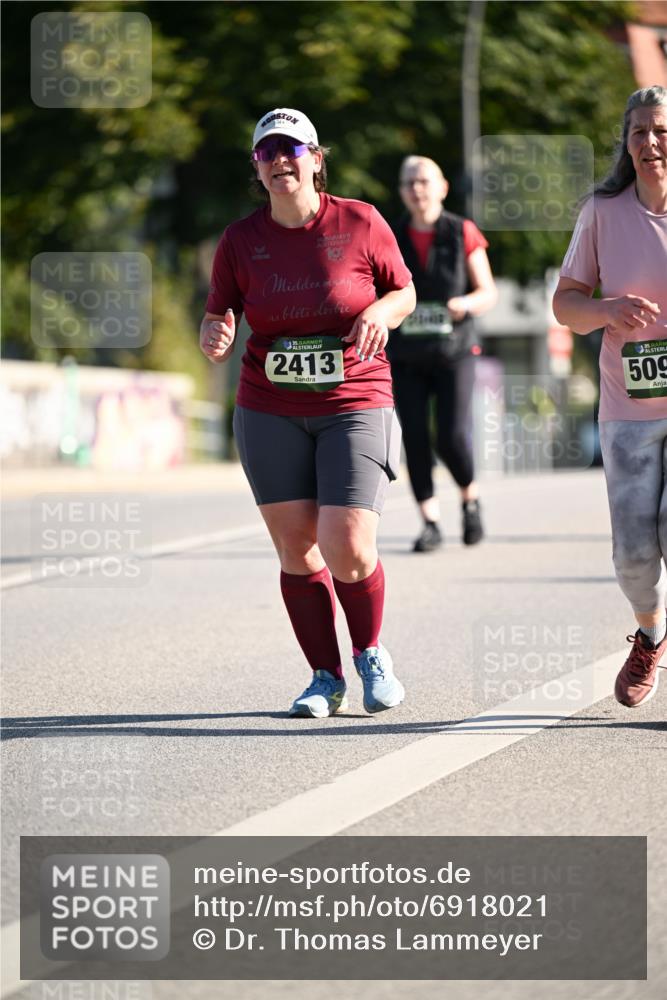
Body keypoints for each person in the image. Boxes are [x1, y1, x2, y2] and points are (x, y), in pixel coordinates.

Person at [200, 108, 416, 718]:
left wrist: (380, 312)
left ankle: (370, 652)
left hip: (354, 398)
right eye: (267, 153)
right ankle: (325, 677)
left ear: (316, 159)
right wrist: (215, 332)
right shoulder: (241, 240)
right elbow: (221, 311)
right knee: (297, 548)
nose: (279, 161)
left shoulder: (360, 221)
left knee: (346, 542)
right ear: (257, 168)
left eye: (291, 150)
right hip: (269, 405)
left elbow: (404, 290)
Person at [553, 85, 667, 708]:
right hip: (628, 409)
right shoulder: (603, 212)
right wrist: (606, 309)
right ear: (626, 143)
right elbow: (564, 305)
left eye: (661, 130)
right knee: (632, 555)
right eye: (639, 133)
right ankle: (652, 632)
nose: (650, 143)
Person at [388, 156, 497, 553]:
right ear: (402, 191)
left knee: (451, 436)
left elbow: (488, 291)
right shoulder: (389, 235)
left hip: (455, 351)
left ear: (442, 187)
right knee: (415, 437)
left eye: (424, 181)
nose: (417, 189)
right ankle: (430, 522)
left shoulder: (461, 231)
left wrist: (464, 304)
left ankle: (470, 499)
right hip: (406, 355)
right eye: (409, 182)